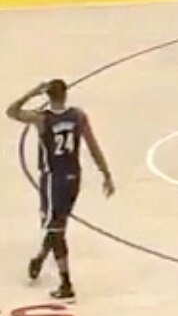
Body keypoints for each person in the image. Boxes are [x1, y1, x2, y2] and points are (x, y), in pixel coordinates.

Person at [6, 79, 115, 300]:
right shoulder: (78, 116)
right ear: (65, 94)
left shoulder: (42, 119)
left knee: (56, 231)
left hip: (53, 180)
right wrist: (106, 173)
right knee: (57, 225)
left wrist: (32, 92)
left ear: (47, 96)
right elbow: (93, 146)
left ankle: (65, 283)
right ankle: (40, 257)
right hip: (74, 177)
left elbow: (11, 111)